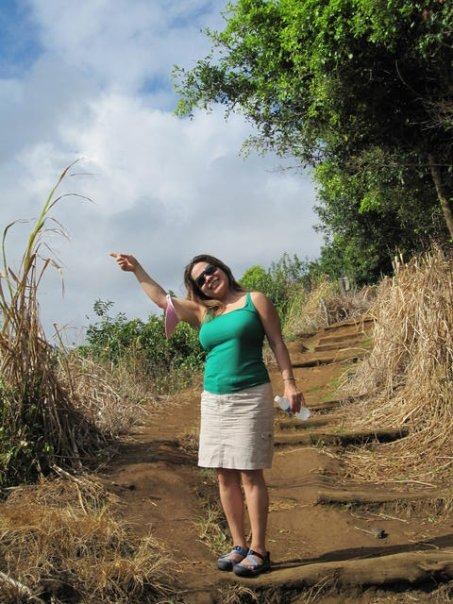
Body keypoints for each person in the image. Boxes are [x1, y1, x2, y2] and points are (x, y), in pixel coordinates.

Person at [110, 252, 304, 577]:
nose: (208, 279)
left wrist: (290, 384)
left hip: (250, 395)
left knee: (250, 474)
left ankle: (259, 550)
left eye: (210, 270)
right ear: (198, 289)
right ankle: (239, 545)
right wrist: (136, 269)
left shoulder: (254, 300)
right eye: (200, 280)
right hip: (214, 400)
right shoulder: (203, 312)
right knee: (223, 474)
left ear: (222, 268)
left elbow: (277, 342)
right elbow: (161, 299)